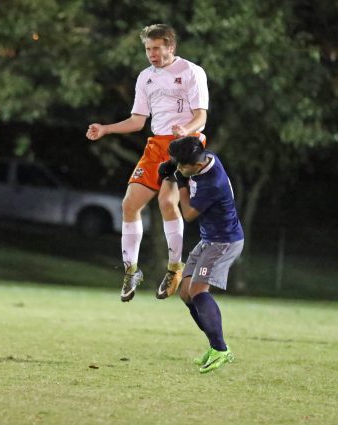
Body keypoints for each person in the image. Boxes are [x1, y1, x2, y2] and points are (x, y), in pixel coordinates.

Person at [86, 24, 210, 302]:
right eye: (147, 49)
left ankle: (175, 268)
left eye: (156, 48)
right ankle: (132, 270)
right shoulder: (145, 78)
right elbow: (137, 121)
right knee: (130, 205)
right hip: (157, 145)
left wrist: (186, 130)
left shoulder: (191, 72)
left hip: (185, 145)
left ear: (170, 47)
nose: (151, 54)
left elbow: (201, 117)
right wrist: (106, 129)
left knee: (167, 202)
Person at [158, 136, 244, 373]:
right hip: (209, 239)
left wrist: (181, 183)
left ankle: (221, 349)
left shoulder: (212, 183)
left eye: (181, 165)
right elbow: (188, 151)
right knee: (186, 293)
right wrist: (176, 169)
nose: (178, 167)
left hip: (223, 242)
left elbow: (188, 214)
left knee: (197, 291)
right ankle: (214, 345)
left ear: (195, 166)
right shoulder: (206, 158)